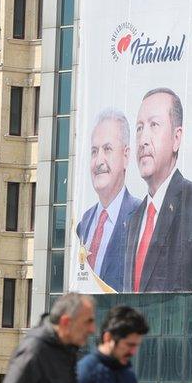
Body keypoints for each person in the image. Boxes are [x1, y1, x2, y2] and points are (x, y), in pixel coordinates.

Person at [124, 87, 192, 292]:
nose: (143, 140)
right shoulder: (134, 219)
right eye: (139, 128)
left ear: (176, 138)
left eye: (154, 125)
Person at [77, 109, 140, 292]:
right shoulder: (84, 223)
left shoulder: (141, 217)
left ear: (126, 156)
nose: (99, 161)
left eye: (107, 149)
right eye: (94, 151)